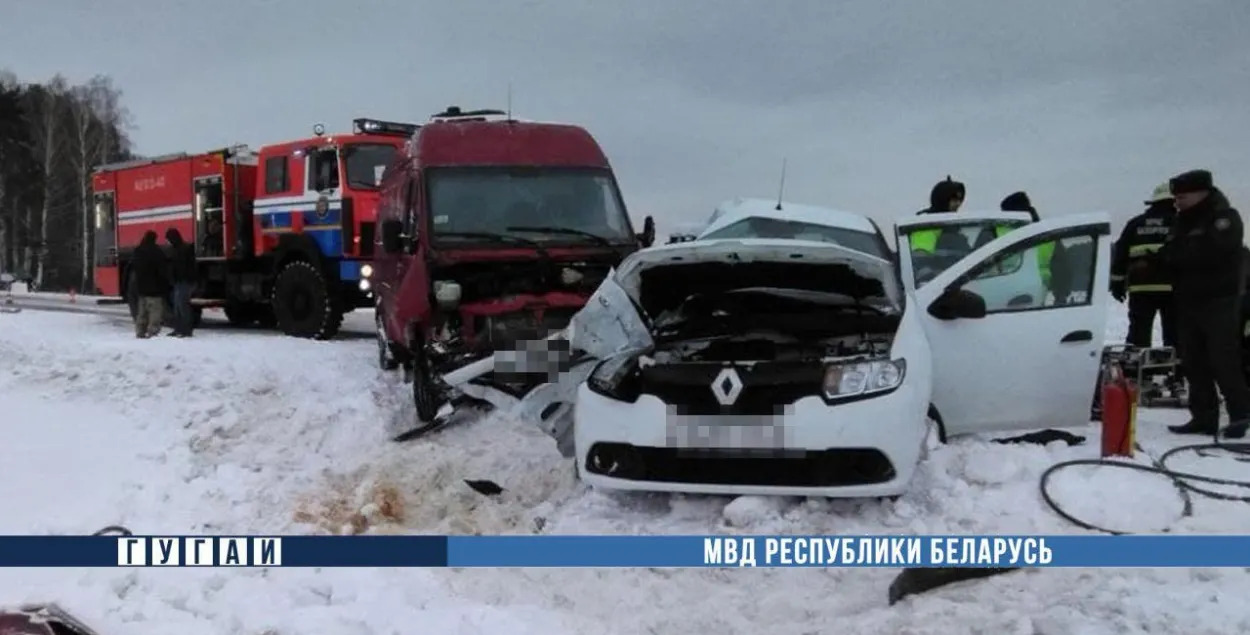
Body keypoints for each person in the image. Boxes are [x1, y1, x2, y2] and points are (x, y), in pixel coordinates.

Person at [1150, 170, 1250, 438]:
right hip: (1188, 301)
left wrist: (1177, 256)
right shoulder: (1181, 221)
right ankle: (1204, 417)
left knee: (1223, 359)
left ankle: (1241, 414)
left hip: (1219, 301)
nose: (1177, 201)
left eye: (1182, 196)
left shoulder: (1225, 218)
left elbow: (1210, 253)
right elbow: (1172, 252)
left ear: (1201, 193)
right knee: (1194, 361)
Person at [1110, 183, 1178, 349]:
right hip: (1173, 289)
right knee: (1174, 334)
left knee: (1138, 334)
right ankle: (1175, 368)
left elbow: (1120, 255)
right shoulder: (1179, 224)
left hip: (1141, 288)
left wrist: (1117, 284)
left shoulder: (1135, 224)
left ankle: (1135, 368)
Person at [130, 230, 168, 339]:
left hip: (141, 288)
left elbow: (135, 268)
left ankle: (140, 331)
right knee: (154, 313)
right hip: (155, 289)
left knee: (142, 312)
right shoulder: (157, 252)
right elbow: (162, 271)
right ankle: (153, 332)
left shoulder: (138, 251)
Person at [165, 228, 197, 337]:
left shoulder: (181, 250)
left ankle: (185, 329)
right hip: (180, 281)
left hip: (184, 281)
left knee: (182, 306)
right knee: (178, 306)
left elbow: (185, 267)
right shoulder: (181, 249)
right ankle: (180, 328)